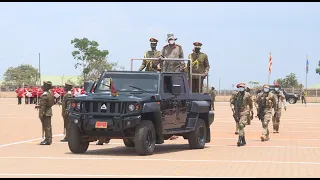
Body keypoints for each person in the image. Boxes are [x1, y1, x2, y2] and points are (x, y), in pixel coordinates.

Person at [230, 82, 253, 146]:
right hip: (237, 112)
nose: (241, 88)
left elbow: (251, 103)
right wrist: (232, 108)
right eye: (240, 87)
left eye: (242, 87)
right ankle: (243, 140)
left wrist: (252, 112)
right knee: (241, 127)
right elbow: (231, 102)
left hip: (245, 111)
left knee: (241, 125)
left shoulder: (247, 95)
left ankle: (239, 140)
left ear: (244, 88)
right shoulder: (236, 95)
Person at [35, 81, 54, 145]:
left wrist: (41, 113)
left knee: (46, 126)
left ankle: (47, 140)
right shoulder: (50, 93)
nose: (42, 86)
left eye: (44, 85)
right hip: (49, 111)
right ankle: (49, 138)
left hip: (45, 112)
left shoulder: (45, 94)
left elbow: (43, 105)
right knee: (48, 126)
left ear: (46, 87)